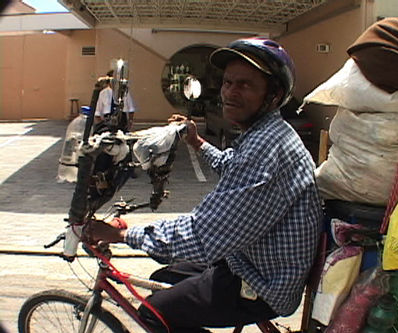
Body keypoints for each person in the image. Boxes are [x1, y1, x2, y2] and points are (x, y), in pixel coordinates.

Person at [86, 37, 322, 332]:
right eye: (227, 82)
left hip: (263, 284)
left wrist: (122, 235)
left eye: (245, 85)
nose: (230, 93)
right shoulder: (266, 133)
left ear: (274, 96)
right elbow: (232, 167)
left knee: (152, 312)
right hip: (249, 259)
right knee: (165, 274)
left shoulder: (266, 148)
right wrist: (196, 141)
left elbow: (204, 236)